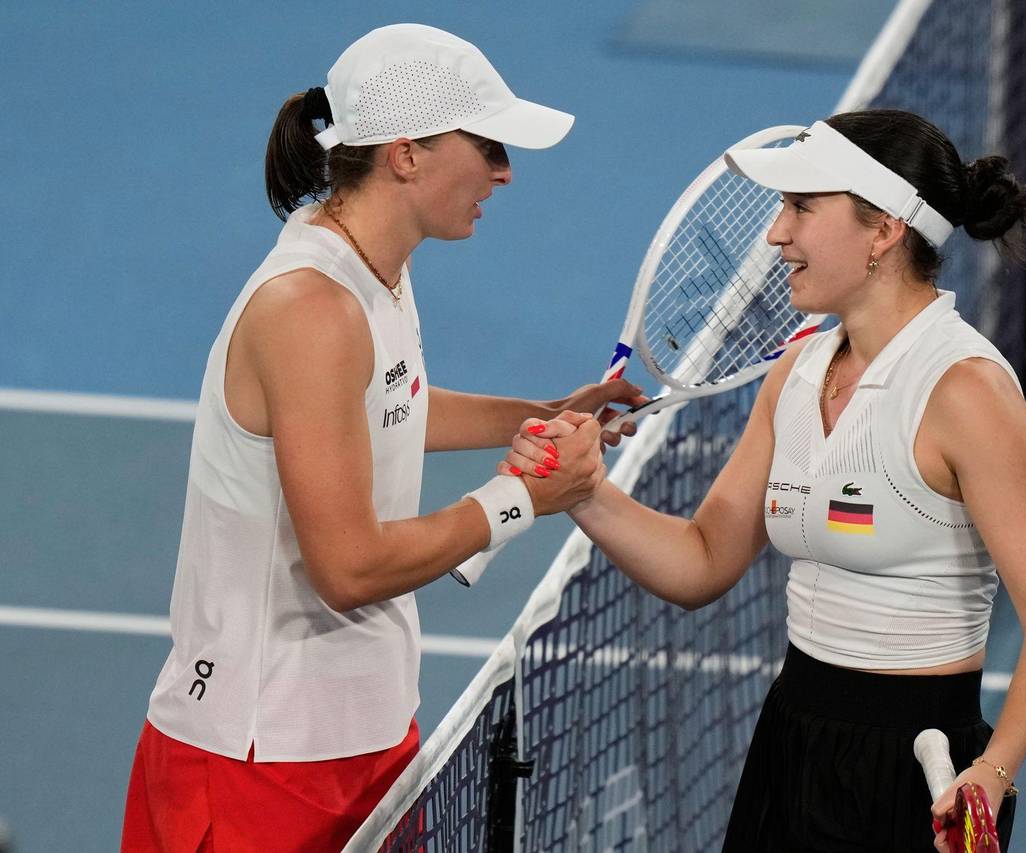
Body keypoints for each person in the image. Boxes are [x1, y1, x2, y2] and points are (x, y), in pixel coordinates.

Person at [502, 110, 1026, 851]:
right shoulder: (796, 372)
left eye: (801, 207)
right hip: (790, 742)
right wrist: (586, 491)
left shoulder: (965, 393)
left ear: (884, 231)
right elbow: (702, 561)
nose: (776, 234)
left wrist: (992, 774)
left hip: (920, 768)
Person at [120, 23, 641, 852]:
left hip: (363, 738)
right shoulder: (311, 309)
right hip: (259, 760)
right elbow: (349, 567)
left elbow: (389, 406)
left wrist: (539, 411)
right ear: (405, 155)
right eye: (488, 146)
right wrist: (519, 499)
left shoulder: (377, 269)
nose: (505, 170)